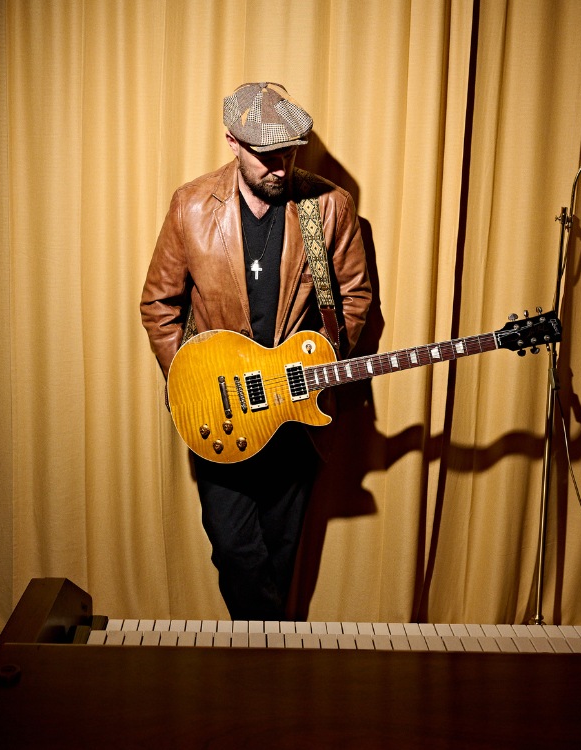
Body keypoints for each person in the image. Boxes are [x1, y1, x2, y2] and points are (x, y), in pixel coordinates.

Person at [139, 82, 373, 621]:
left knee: (282, 552)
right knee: (235, 549)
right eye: (264, 154)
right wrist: (192, 382)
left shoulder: (327, 208)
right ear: (232, 142)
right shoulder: (191, 205)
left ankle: (261, 673)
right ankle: (271, 661)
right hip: (220, 412)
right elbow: (159, 304)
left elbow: (356, 296)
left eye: (288, 151)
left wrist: (324, 362)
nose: (278, 166)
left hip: (294, 414)